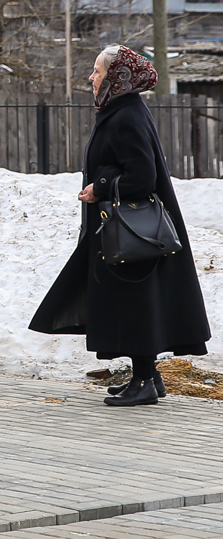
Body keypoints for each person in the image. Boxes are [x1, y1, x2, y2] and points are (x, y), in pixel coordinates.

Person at [30, 45, 210, 407]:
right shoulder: (122, 110)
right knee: (134, 303)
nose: (91, 78)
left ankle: (143, 381)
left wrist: (101, 187)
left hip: (131, 232)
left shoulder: (126, 115)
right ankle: (150, 377)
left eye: (97, 71)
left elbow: (142, 177)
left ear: (116, 78)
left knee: (136, 304)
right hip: (126, 231)